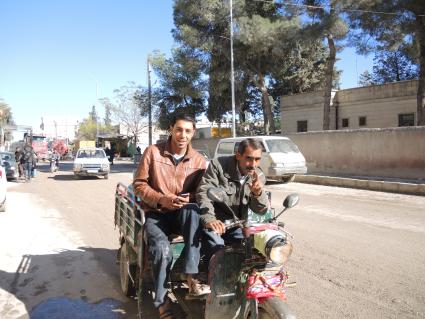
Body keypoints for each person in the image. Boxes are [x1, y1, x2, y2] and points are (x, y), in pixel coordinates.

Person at [133, 114, 208, 318]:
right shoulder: (153, 152)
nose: (182, 135)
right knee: (162, 249)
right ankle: (161, 300)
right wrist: (162, 199)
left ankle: (192, 277)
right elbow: (139, 185)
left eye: (187, 131)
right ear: (171, 129)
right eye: (179, 129)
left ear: (193, 133)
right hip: (156, 213)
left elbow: (202, 192)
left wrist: (187, 198)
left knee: (193, 212)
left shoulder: (199, 161)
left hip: (181, 213)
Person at [196, 138, 269, 264]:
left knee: (254, 254)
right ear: (238, 155)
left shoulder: (257, 175)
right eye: (249, 158)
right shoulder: (218, 165)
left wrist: (258, 193)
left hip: (237, 226)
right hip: (216, 223)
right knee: (217, 250)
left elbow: (261, 210)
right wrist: (210, 220)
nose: (253, 164)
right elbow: (204, 192)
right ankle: (212, 280)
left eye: (257, 159)